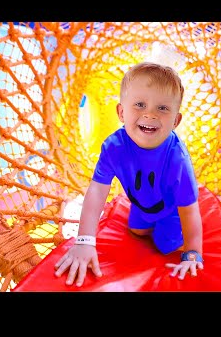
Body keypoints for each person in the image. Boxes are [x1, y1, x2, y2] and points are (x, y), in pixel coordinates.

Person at [54, 61, 203, 287]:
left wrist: (192, 253)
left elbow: (189, 209)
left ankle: (171, 232)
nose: (150, 114)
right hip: (142, 206)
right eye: (140, 104)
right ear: (121, 112)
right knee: (137, 230)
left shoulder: (177, 160)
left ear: (176, 120)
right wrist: (84, 241)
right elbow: (96, 190)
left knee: (165, 245)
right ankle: (148, 223)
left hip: (171, 212)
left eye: (162, 108)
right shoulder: (113, 147)